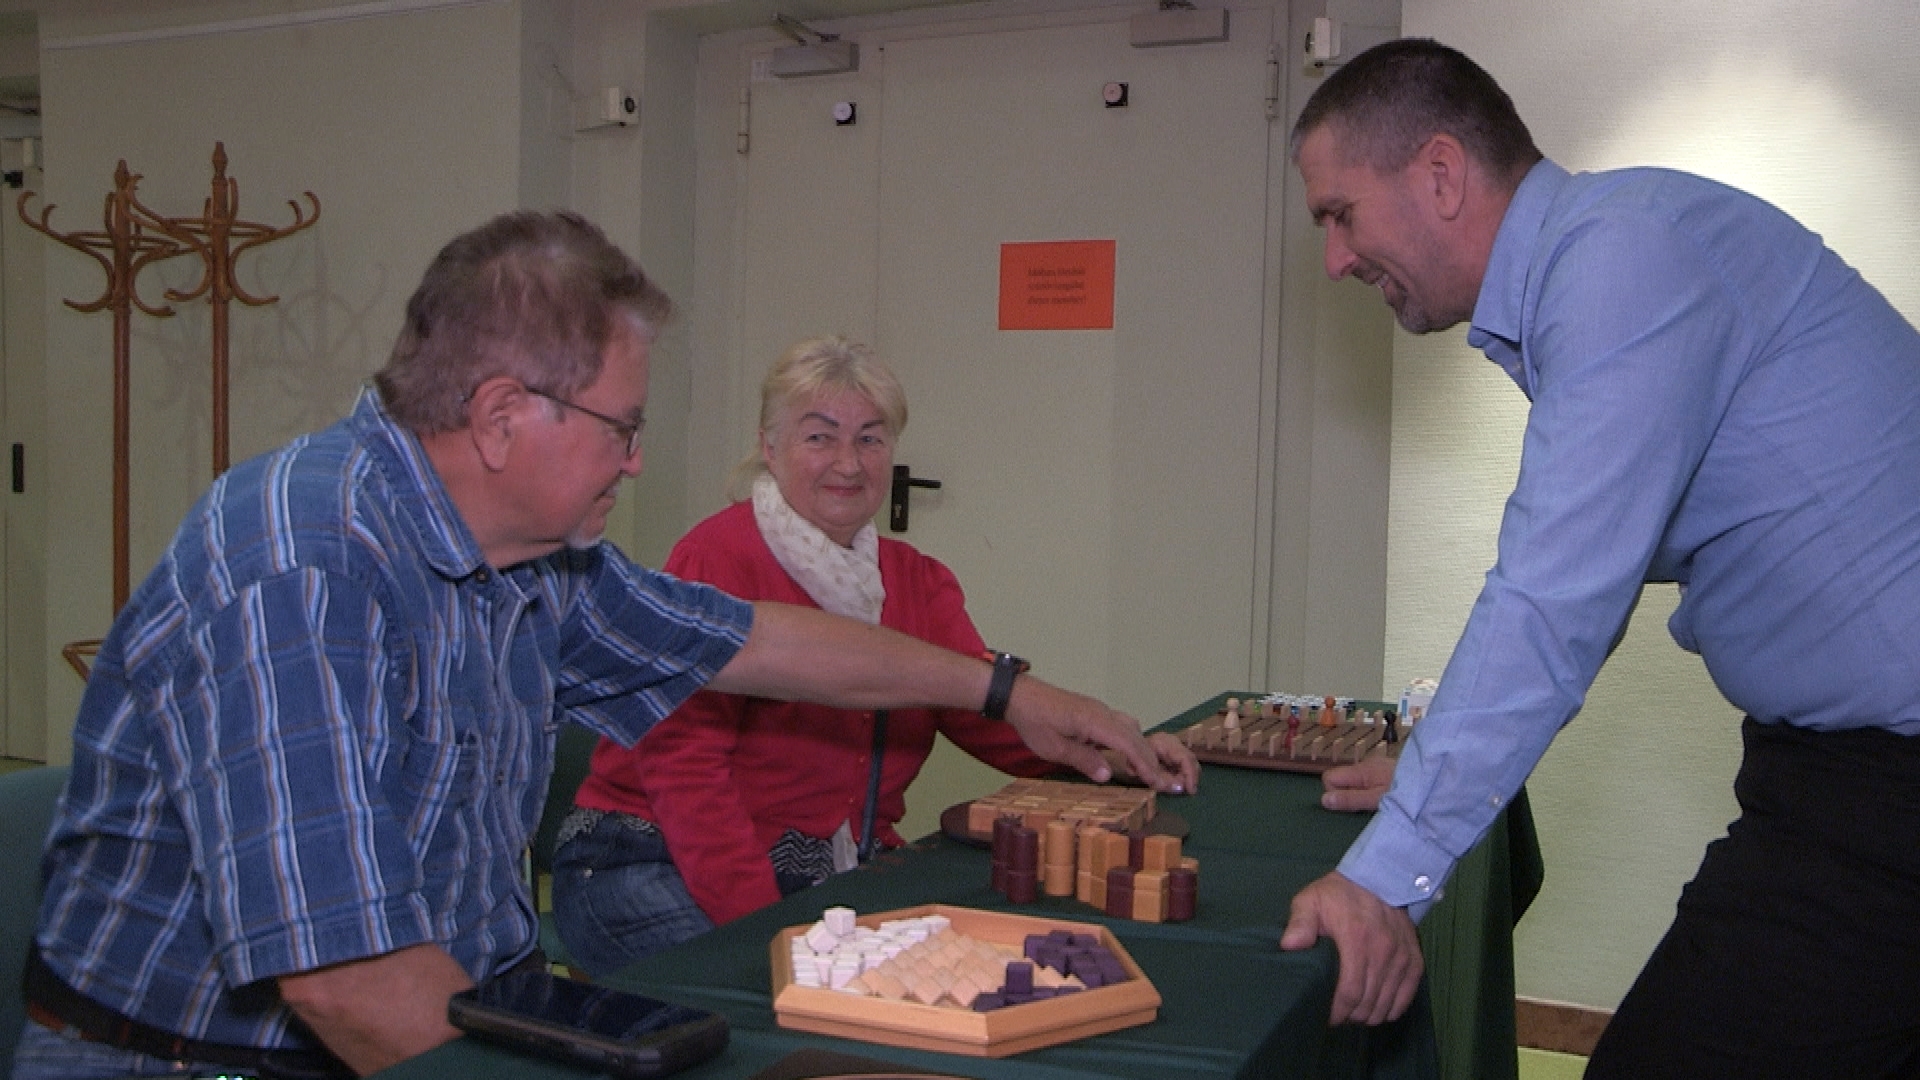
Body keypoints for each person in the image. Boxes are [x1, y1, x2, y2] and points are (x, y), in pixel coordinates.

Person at [14, 211, 1179, 1080]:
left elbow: (758, 644)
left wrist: (1004, 689)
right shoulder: (302, 567)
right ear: (500, 417)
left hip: (452, 1016)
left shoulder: (531, 553)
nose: (636, 460)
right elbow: (347, 982)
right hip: (200, 1060)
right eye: (623, 428)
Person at [1278, 38, 1920, 1079]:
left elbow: (1554, 599)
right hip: (1842, 774)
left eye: (1340, 214)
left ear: (1440, 174)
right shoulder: (1616, 250)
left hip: (1884, 790)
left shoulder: (1623, 257)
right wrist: (1434, 781)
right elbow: (1587, 581)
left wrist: (1386, 876)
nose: (1336, 260)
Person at [549, 337, 1200, 976]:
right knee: (768, 1009)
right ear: (769, 447)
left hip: (826, 878)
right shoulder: (715, 557)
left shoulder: (918, 580)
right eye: (819, 436)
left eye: (870, 438)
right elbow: (685, 775)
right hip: (651, 862)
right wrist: (776, 938)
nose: (848, 463)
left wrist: (1112, 757)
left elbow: (990, 714)